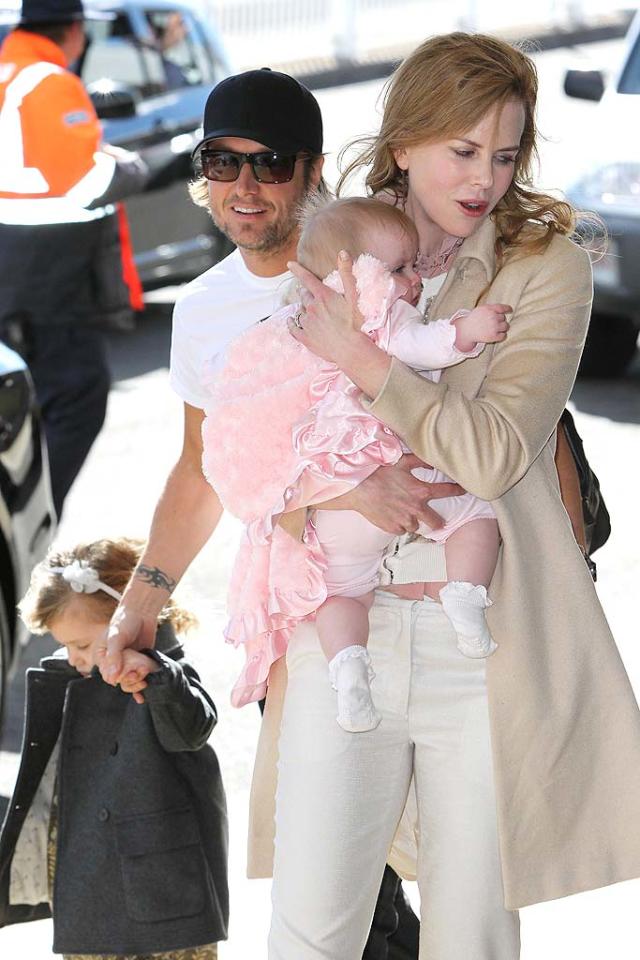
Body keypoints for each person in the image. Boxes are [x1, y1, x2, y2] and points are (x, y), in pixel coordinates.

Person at [231, 32, 640, 959]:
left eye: (504, 155)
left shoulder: (548, 264)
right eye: (462, 150)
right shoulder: (336, 240)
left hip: (481, 641)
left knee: (472, 936)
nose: (485, 178)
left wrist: (369, 362)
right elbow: (260, 440)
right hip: (346, 629)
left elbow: (494, 454)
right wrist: (344, 484)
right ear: (405, 140)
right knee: (311, 929)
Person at [101, 69, 427, 958]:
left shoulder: (377, 269)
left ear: (314, 170)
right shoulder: (203, 311)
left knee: (405, 867)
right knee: (346, 880)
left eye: (268, 163)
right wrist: (139, 606)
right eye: (220, 161)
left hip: (411, 599)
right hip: (298, 624)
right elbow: (202, 471)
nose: (243, 186)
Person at [202, 196, 509, 732]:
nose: (412, 280)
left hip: (329, 505)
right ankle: (465, 595)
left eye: (413, 265)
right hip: (394, 468)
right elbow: (428, 345)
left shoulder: (290, 328)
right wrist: (471, 327)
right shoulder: (372, 315)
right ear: (356, 276)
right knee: (475, 515)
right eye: (398, 269)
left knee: (341, 595)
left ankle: (348, 670)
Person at [0, 537, 228, 959]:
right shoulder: (66, 683)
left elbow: (193, 727)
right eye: (64, 645)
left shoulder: (165, 674)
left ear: (127, 616)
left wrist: (158, 675)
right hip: (87, 895)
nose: (73, 658)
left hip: (167, 896)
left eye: (82, 645)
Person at [0, 0, 148, 518]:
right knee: (79, 398)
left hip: (12, 271)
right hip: (52, 280)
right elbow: (89, 182)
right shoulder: (50, 80)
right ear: (76, 30)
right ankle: (30, 523)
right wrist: (132, 167)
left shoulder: (8, 69)